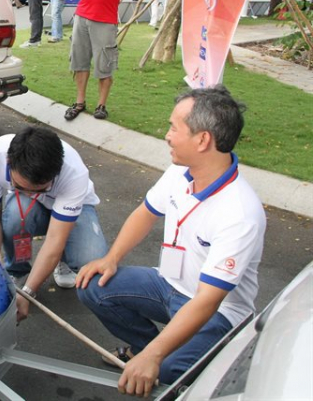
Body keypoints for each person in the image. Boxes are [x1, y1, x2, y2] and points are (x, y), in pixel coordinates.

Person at [76, 86, 265, 397]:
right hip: (167, 285)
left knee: (161, 374)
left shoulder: (240, 212)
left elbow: (207, 301)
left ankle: (170, 362)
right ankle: (146, 350)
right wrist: (110, 258)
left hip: (219, 313)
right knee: (92, 285)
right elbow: (145, 213)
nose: (167, 135)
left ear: (203, 140)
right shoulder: (180, 173)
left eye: (174, 127)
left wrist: (156, 356)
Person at [0, 127, 108, 322]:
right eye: (19, 186)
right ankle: (18, 270)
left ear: (56, 172)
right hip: (28, 207)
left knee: (91, 258)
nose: (29, 191)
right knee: (14, 219)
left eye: (41, 188)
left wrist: (28, 293)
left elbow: (55, 239)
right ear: (9, 163)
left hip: (75, 206)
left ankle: (64, 261)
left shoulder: (74, 172)